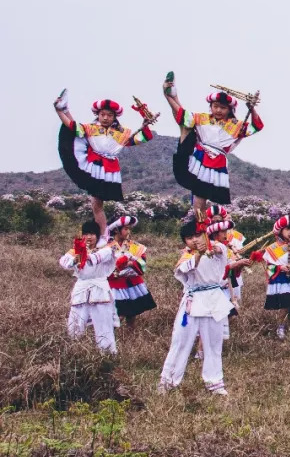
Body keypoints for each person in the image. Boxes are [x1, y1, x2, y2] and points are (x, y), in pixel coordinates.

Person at [54, 93, 154, 235]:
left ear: (114, 117)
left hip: (107, 170)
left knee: (97, 204)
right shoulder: (91, 128)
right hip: (94, 166)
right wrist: (62, 111)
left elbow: (142, 138)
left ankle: (103, 234)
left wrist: (145, 124)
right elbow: (72, 126)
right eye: (103, 114)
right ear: (98, 115)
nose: (106, 118)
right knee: (96, 204)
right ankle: (103, 233)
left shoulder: (122, 133)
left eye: (109, 115)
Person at [163, 76, 263, 212]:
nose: (218, 110)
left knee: (202, 195)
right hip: (199, 157)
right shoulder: (203, 118)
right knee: (199, 194)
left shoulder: (235, 125)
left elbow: (257, 126)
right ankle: (199, 224)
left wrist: (252, 109)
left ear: (229, 110)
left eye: (223, 108)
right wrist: (169, 97)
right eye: (215, 106)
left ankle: (201, 223)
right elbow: (183, 116)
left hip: (217, 161)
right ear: (211, 107)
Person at [158, 220, 233, 395]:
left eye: (197, 235)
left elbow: (221, 251)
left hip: (214, 299)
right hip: (192, 302)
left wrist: (209, 246)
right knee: (180, 342)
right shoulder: (187, 256)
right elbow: (183, 269)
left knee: (214, 344)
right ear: (185, 241)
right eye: (189, 238)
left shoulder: (217, 249)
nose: (194, 240)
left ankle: (215, 383)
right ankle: (168, 381)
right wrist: (199, 253)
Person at [60, 220, 118, 353]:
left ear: (97, 235)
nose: (89, 237)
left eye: (92, 233)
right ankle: (73, 353)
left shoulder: (106, 248)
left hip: (100, 290)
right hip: (81, 290)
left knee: (104, 326)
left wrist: (86, 256)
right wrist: (78, 257)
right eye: (86, 233)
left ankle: (107, 355)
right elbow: (64, 262)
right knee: (74, 324)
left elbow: (102, 256)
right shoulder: (76, 249)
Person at [106, 215, 157, 328]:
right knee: (118, 311)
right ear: (116, 229)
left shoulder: (135, 246)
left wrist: (132, 264)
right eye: (125, 229)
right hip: (115, 283)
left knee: (132, 310)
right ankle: (110, 334)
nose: (128, 231)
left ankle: (130, 332)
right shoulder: (106, 247)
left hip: (132, 282)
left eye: (129, 228)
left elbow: (142, 262)